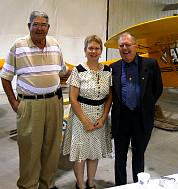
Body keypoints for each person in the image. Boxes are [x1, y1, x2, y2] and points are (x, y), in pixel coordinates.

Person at [0, 11, 66, 189]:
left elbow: (61, 71)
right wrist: (14, 103)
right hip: (30, 104)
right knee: (30, 149)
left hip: (54, 103)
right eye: (35, 24)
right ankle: (28, 186)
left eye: (43, 24)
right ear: (28, 26)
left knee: (52, 148)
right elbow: (5, 77)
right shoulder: (18, 46)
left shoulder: (55, 44)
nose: (39, 28)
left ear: (48, 28)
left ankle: (47, 185)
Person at [110, 32, 163, 186]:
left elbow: (158, 89)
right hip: (121, 118)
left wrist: (146, 106)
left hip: (141, 117)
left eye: (128, 44)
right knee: (120, 157)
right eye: (121, 45)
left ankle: (137, 185)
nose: (124, 48)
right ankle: (120, 185)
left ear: (136, 46)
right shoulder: (114, 68)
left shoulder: (150, 65)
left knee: (139, 156)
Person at [62, 35, 112, 189]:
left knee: (94, 152)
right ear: (85, 51)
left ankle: (91, 183)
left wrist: (104, 118)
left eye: (97, 48)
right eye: (90, 48)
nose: (93, 51)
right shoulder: (78, 71)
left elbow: (110, 97)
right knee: (80, 154)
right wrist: (85, 120)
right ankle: (81, 185)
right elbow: (73, 98)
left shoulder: (108, 71)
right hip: (80, 116)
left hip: (99, 117)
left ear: (101, 51)